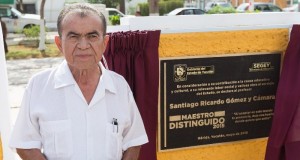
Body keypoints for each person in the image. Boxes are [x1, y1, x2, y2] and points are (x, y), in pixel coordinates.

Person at [9, 3, 148, 160]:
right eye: (73, 37)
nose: (83, 46)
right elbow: (24, 145)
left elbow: (133, 142)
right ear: (59, 43)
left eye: (92, 36)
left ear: (105, 43)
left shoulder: (120, 86)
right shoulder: (39, 86)